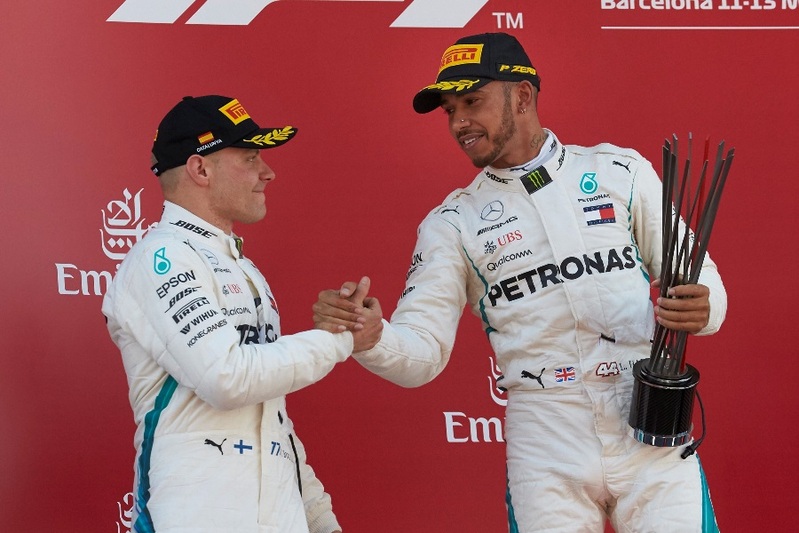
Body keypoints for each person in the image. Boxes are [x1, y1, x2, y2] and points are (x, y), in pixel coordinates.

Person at [313, 33, 725, 532]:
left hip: (648, 414)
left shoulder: (620, 171)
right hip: (545, 432)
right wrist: (371, 338)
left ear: (523, 96)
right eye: (450, 111)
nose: (459, 122)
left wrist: (704, 307)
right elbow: (423, 354)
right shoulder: (453, 222)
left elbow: (700, 277)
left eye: (472, 101)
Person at [102, 95, 377, 533]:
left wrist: (319, 518)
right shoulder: (161, 258)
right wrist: (340, 340)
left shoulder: (245, 269)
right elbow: (226, 378)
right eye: (250, 158)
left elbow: (272, 419)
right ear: (200, 169)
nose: (268, 172)